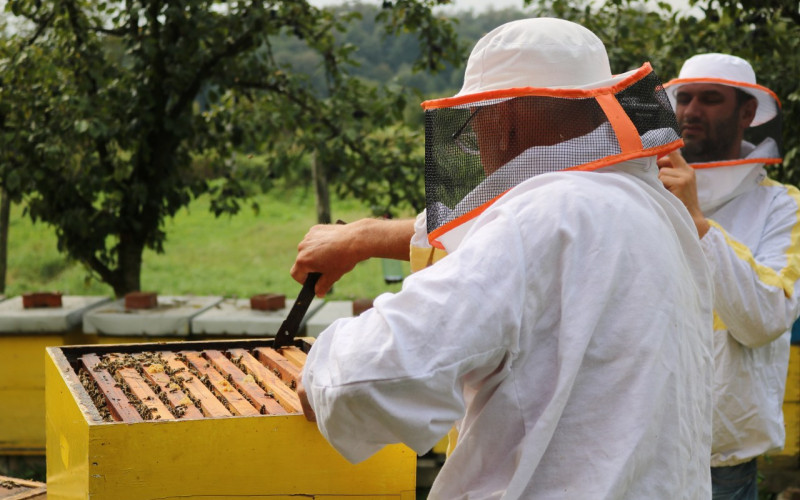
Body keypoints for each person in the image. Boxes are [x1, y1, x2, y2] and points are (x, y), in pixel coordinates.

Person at [295, 18, 714, 498]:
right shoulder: (660, 213)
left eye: (476, 128)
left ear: (506, 121)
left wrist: (323, 368)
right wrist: (365, 237)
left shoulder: (542, 215)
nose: (478, 150)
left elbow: (377, 374)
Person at [657, 53, 800, 500]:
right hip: (642, 447)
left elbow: (765, 318)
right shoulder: (647, 191)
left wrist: (697, 221)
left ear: (747, 113)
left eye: (711, 99)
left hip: (723, 459)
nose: (691, 111)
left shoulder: (782, 206)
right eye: (685, 98)